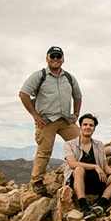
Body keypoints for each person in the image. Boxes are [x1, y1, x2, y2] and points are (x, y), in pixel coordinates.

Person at [19, 46, 82, 196]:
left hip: (66, 120)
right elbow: (23, 94)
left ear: (63, 59)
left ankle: (83, 171)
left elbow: (78, 96)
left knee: (82, 142)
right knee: (44, 151)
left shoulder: (69, 77)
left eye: (58, 56)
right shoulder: (39, 76)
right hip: (46, 121)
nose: (55, 59)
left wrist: (76, 113)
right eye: (52, 56)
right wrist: (34, 115)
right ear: (47, 58)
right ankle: (37, 181)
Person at [63, 114, 111, 220]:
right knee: (79, 169)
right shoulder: (69, 144)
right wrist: (95, 166)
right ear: (80, 127)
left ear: (94, 128)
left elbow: (105, 167)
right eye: (85, 124)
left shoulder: (99, 145)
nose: (88, 127)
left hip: (97, 181)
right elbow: (72, 164)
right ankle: (84, 207)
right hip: (78, 181)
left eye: (91, 125)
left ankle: (100, 206)